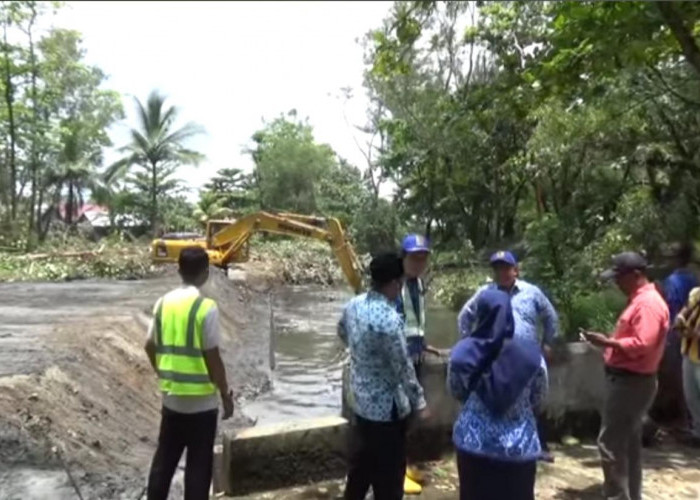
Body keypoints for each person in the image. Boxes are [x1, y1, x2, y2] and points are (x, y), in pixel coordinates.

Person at [145, 247, 234, 500]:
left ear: (178, 271)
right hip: (202, 404)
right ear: (206, 273)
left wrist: (163, 374)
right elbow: (213, 358)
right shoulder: (206, 308)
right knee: (198, 465)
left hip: (172, 399)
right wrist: (226, 395)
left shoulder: (163, 303)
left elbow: (149, 345)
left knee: (164, 461)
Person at [338, 251, 429, 500]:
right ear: (394, 283)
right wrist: (420, 403)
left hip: (361, 403)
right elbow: (403, 367)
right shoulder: (389, 320)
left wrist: (363, 356)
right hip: (386, 413)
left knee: (360, 469)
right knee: (388, 479)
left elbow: (342, 332)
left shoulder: (353, 305)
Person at [581, 251, 669, 500]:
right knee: (628, 446)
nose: (616, 283)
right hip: (631, 381)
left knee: (610, 445)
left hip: (631, 383)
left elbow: (643, 343)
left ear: (637, 275)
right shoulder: (640, 300)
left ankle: (617, 496)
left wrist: (608, 343)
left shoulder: (648, 304)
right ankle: (630, 495)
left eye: (619, 277)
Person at [457, 250, 558, 462]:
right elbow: (465, 316)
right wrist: (471, 343)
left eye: (505, 267)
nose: (501, 272)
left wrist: (547, 343)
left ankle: (537, 443)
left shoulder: (532, 292)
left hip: (526, 359)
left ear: (516, 270)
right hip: (494, 357)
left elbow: (550, 316)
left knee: (532, 402)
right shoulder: (486, 293)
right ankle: (491, 445)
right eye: (497, 268)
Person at [448, 289, 547, 500]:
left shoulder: (461, 353)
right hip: (519, 446)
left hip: (473, 444)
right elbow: (538, 395)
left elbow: (456, 391)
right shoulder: (532, 355)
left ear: (480, 314)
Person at [396, 234, 440, 494]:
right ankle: (396, 472)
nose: (419, 262)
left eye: (423, 257)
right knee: (399, 418)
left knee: (410, 418)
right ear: (403, 258)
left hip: (416, 356)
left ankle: (403, 465)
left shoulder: (417, 284)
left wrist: (423, 343)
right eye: (414, 257)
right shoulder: (395, 284)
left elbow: (414, 319)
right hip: (400, 361)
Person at [650, 243, 698, 429]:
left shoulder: (671, 281)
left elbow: (668, 309)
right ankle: (689, 422)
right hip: (690, 337)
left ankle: (685, 422)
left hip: (675, 335)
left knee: (681, 383)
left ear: (676, 259)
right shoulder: (694, 280)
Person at [674, 285, 700, 446]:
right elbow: (686, 309)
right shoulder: (696, 293)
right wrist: (680, 319)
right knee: (692, 398)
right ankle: (698, 433)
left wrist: (690, 332)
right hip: (689, 352)